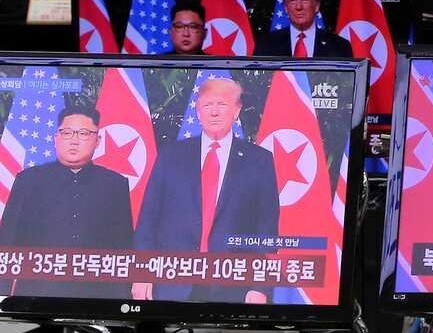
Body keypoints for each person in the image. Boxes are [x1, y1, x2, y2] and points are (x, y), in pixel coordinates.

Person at [134, 77, 280, 302]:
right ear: (198, 111)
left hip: (233, 288)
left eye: (221, 105)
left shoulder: (259, 161)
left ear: (236, 110)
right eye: (207, 106)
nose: (214, 112)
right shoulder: (170, 156)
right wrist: (142, 273)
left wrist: (260, 287)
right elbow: (148, 219)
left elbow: (266, 229)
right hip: (171, 283)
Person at [0, 106, 133, 298]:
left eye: (84, 133)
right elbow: (8, 243)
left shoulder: (115, 183)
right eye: (67, 132)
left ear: (97, 141)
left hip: (98, 295)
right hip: (37, 295)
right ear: (56, 138)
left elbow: (123, 245)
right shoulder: (28, 180)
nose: (74, 140)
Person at [254, 0, 353, 58]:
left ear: (317, 5)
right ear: (286, 8)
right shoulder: (266, 45)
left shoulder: (339, 46)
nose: (298, 7)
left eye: (304, 0)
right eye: (292, 0)